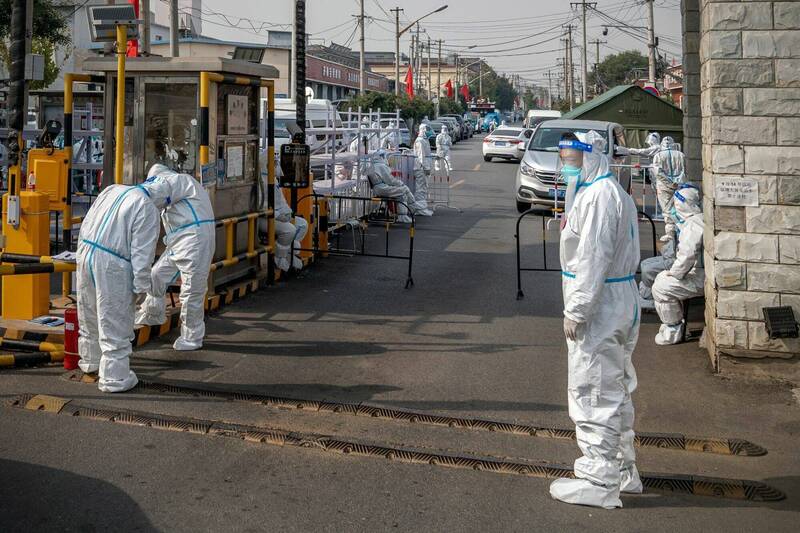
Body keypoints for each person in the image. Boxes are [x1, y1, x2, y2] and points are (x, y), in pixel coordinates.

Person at [550, 130, 642, 509]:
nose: (567, 164)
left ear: (592, 155)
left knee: (593, 389)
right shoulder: (606, 191)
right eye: (564, 157)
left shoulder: (600, 196)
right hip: (614, 299)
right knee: (614, 387)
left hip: (600, 304)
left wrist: (577, 309)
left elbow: (592, 258)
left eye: (573, 157)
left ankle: (599, 479)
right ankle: (622, 470)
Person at [77, 183, 160, 392]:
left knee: (89, 312)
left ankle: (90, 361)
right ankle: (115, 378)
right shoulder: (147, 207)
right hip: (113, 264)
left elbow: (88, 221)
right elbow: (142, 254)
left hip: (86, 252)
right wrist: (141, 288)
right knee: (115, 319)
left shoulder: (111, 189)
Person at [135, 164, 216, 351]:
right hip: (179, 242)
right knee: (156, 275)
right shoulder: (178, 189)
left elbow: (156, 191)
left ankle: (192, 336)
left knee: (191, 290)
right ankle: (153, 313)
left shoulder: (179, 181)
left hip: (194, 240)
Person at [652, 185, 704, 345]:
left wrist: (675, 273)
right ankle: (672, 323)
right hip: (699, 273)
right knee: (661, 277)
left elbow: (687, 255)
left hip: (700, 277)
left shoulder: (693, 224)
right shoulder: (697, 220)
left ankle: (673, 330)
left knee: (661, 288)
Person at [365, 150, 416, 223]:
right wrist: (400, 183)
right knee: (403, 190)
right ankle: (405, 214)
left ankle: (407, 212)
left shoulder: (373, 165)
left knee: (402, 191)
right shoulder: (381, 166)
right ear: (381, 157)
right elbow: (390, 180)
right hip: (382, 189)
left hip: (379, 188)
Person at [651, 136, 686, 241]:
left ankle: (670, 233)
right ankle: (682, 231)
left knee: (667, 210)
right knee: (680, 208)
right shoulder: (681, 155)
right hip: (679, 186)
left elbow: (658, 173)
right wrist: (677, 181)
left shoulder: (658, 156)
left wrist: (669, 183)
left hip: (664, 187)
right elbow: (685, 170)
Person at [638, 238, 675, 311]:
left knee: (647, 270)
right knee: (644, 263)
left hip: (677, 261)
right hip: (674, 256)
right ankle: (647, 295)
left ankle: (649, 298)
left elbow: (684, 257)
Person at [413, 124, 434, 216]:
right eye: (426, 129)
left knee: (424, 187)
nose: (427, 131)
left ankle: (422, 208)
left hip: (423, 167)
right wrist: (426, 167)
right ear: (422, 130)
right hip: (420, 168)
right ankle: (420, 209)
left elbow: (426, 154)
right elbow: (421, 156)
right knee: (420, 188)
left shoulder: (424, 140)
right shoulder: (420, 141)